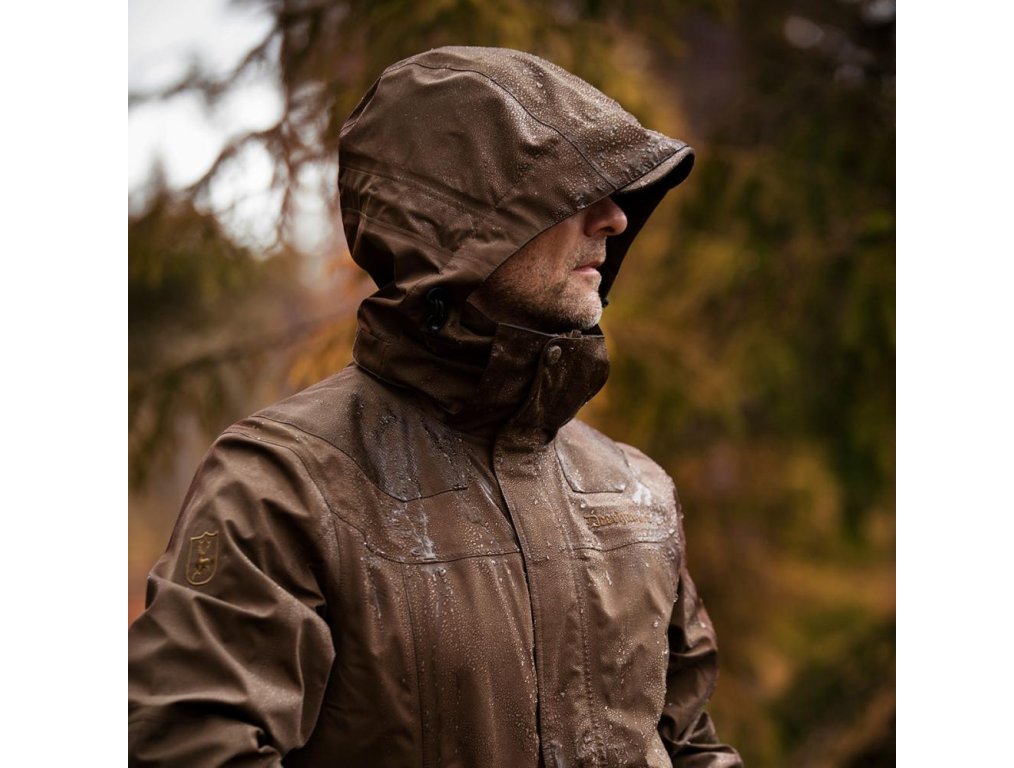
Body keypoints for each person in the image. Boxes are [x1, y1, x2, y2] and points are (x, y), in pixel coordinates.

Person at [128, 46, 743, 767]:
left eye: (615, 193)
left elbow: (690, 746)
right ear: (459, 224)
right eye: (572, 191)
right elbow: (189, 749)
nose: (612, 218)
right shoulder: (284, 485)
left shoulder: (634, 491)